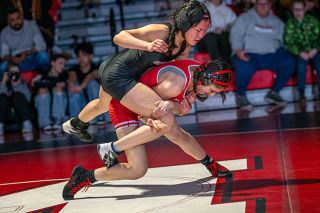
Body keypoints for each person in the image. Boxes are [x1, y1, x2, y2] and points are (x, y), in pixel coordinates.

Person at [62, 59, 233, 200]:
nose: (210, 95)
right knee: (138, 169)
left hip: (140, 99)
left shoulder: (196, 69)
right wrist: (171, 107)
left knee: (176, 133)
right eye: (211, 91)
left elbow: (164, 103)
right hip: (124, 106)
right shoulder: (173, 85)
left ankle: (210, 164)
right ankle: (88, 172)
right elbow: (146, 105)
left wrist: (180, 102)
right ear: (203, 79)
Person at [63, 0, 211, 142]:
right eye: (198, 30)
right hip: (117, 71)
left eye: (205, 31)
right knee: (157, 116)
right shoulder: (162, 31)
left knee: (103, 105)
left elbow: (181, 73)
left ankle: (76, 124)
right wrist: (147, 46)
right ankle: (114, 150)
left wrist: (189, 97)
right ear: (185, 24)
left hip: (132, 77)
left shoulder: (185, 47)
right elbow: (118, 37)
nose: (201, 35)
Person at [230, 0, 296, 111]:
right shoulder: (244, 18)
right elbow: (235, 35)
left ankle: (274, 93)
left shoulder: (277, 22)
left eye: (266, 4)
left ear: (270, 5)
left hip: (272, 54)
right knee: (243, 66)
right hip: (250, 54)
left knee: (289, 62)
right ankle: (241, 96)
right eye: (260, 3)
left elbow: (283, 42)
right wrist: (237, 50)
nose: (263, 6)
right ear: (255, 4)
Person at [284, 0, 320, 103]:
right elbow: (288, 42)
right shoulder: (290, 23)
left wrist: (315, 49)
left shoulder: (313, 20)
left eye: (300, 10)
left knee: (319, 64)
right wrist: (300, 52)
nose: (297, 12)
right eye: (295, 10)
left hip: (314, 50)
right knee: (301, 65)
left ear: (305, 10)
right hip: (300, 52)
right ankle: (301, 93)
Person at [0, 9, 50, 75]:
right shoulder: (4, 33)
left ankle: (44, 78)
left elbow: (42, 44)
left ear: (22, 17)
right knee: (2, 67)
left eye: (18, 18)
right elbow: (4, 54)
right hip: (15, 62)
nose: (16, 22)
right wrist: (13, 59)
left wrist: (26, 54)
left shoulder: (31, 25)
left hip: (31, 57)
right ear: (8, 22)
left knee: (43, 56)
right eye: (12, 20)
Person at [33, 54, 69, 130]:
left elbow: (66, 84)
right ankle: (44, 122)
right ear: (53, 63)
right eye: (60, 63)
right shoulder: (43, 74)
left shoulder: (64, 75)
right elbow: (34, 84)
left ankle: (58, 120)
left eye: (64, 64)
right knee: (42, 90)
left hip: (60, 105)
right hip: (45, 103)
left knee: (58, 88)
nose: (62, 66)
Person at [0, 63, 33, 135]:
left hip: (20, 118)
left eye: (16, 72)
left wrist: (17, 84)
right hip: (6, 118)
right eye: (12, 72)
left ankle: (27, 124)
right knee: (2, 97)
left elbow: (28, 98)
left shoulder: (24, 85)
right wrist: (3, 82)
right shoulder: (3, 84)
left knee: (18, 95)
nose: (14, 74)